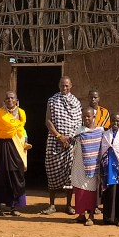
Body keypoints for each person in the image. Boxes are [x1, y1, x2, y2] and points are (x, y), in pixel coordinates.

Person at [42, 76, 82, 215]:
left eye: (66, 85)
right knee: (52, 172)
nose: (64, 88)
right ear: (59, 86)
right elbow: (48, 121)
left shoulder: (76, 102)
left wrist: (69, 138)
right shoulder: (52, 100)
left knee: (70, 175)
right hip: (54, 141)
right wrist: (59, 136)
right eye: (62, 85)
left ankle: (68, 205)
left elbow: (78, 123)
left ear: (71, 86)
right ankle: (52, 204)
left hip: (70, 143)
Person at [0, 91, 29, 217]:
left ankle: (14, 206)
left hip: (16, 145)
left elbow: (22, 129)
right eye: (7, 98)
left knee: (16, 174)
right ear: (4, 100)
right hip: (1, 145)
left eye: (12, 98)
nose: (10, 100)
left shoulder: (21, 113)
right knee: (1, 174)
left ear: (16, 100)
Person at [71, 108, 104, 226]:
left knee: (91, 191)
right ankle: (81, 215)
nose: (86, 118)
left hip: (94, 166)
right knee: (80, 190)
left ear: (93, 117)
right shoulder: (79, 131)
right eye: (84, 116)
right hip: (80, 165)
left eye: (88, 116)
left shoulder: (100, 131)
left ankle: (91, 215)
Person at [99, 112, 119, 227]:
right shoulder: (105, 134)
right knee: (109, 192)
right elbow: (103, 150)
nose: (115, 123)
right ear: (110, 121)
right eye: (113, 120)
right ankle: (108, 218)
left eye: (117, 121)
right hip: (108, 168)